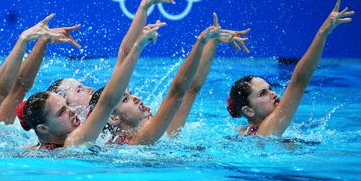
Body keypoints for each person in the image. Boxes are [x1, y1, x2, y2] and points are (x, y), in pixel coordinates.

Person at [88, 13, 249, 145]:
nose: (136, 98)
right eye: (125, 99)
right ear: (113, 117)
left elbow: (191, 90)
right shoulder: (140, 140)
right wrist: (201, 41)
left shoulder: (162, 132)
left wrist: (212, 41)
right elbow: (177, 92)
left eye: (131, 95)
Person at [16, 21, 166, 149]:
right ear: (43, 128)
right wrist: (138, 47)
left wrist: (144, 8)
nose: (72, 111)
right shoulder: (74, 141)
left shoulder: (36, 149)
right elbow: (108, 102)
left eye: (67, 107)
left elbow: (121, 60)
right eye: (62, 111)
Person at [46, 0, 176, 117]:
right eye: (79, 90)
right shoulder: (76, 134)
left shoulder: (111, 105)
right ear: (68, 107)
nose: (90, 88)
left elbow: (124, 53)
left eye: (82, 86)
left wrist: (144, 6)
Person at [226, 0, 353, 136]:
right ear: (248, 111)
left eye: (269, 89)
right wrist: (323, 32)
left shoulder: (242, 131)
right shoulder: (267, 129)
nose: (273, 94)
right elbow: (298, 82)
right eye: (263, 93)